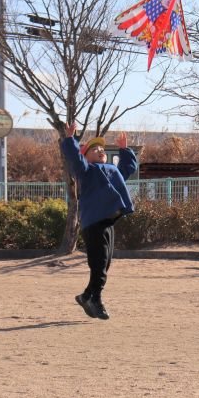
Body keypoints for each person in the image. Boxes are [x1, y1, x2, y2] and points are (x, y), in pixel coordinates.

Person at [61, 123, 138, 320]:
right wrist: (70, 140)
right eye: (94, 149)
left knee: (104, 264)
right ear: (85, 156)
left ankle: (87, 296)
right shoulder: (87, 171)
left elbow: (129, 166)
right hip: (94, 222)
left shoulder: (112, 170)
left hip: (108, 222)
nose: (100, 150)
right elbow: (75, 160)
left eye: (102, 148)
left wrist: (124, 149)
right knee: (99, 264)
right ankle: (94, 299)